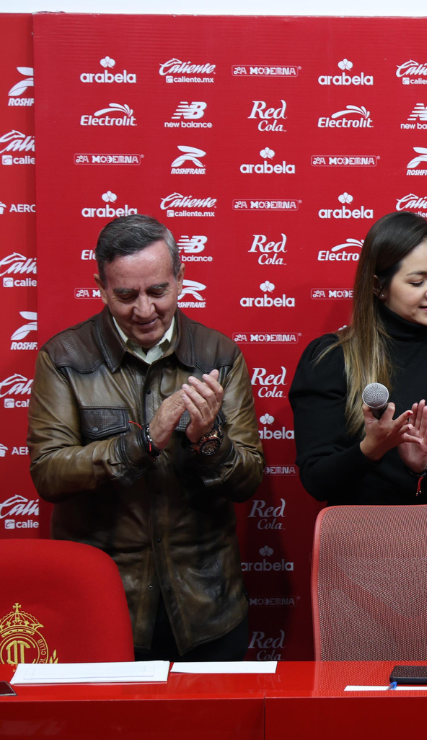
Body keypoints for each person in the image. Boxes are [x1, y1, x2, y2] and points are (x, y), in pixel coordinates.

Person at [27, 214, 263, 661]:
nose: (144, 310)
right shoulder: (63, 358)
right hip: (104, 604)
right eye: (125, 295)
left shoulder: (219, 355)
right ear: (100, 285)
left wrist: (206, 441)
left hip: (207, 606)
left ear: (180, 277)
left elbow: (247, 480)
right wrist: (144, 442)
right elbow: (49, 474)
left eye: (158, 291)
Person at [289, 211, 427, 505]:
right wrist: (370, 449)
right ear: (379, 287)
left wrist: (424, 466)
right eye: (417, 282)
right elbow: (317, 480)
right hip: (361, 541)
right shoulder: (331, 359)